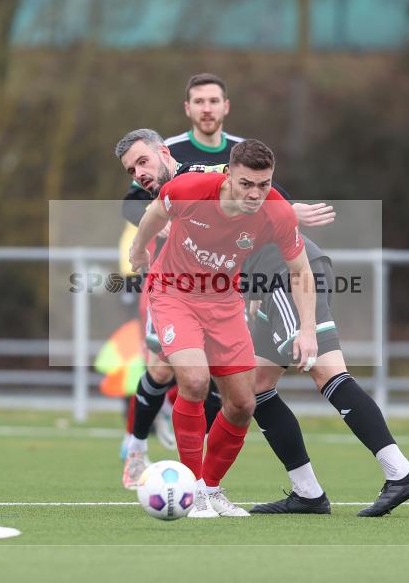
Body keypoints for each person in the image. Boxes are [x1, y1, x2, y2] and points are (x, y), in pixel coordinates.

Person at [118, 128, 333, 491]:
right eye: (132, 168)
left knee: (243, 402)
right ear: (229, 177)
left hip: (223, 298)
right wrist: (139, 249)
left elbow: (299, 269)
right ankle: (167, 470)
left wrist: (307, 329)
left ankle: (209, 490)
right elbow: (150, 210)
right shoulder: (185, 190)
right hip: (173, 292)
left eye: (263, 186)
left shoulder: (270, 208)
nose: (255, 193)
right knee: (187, 376)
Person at [244, 238, 409, 516]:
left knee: (325, 371)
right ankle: (307, 494)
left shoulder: (203, 199)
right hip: (275, 276)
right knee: (255, 386)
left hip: (286, 272)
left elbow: (267, 206)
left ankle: (400, 471)